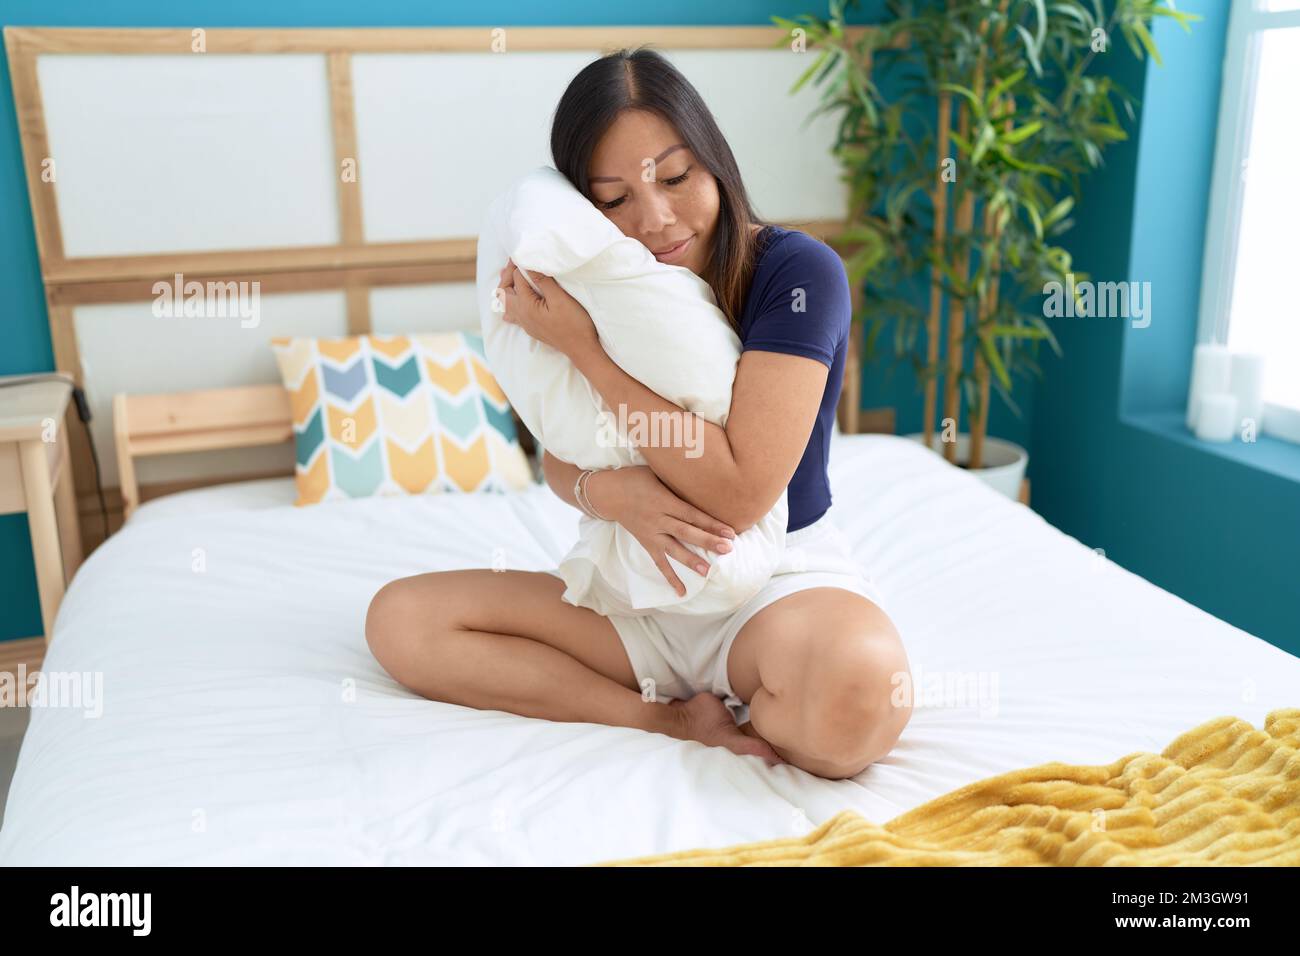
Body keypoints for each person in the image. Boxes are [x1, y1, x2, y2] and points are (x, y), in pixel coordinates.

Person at [366, 46, 913, 780]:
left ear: (714, 158)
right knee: (401, 621)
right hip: (634, 585)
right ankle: (667, 715)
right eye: (613, 200)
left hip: (776, 582)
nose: (655, 220)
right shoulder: (586, 284)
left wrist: (588, 354)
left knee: (861, 701)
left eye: (676, 177)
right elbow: (562, 458)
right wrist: (612, 493)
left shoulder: (796, 273)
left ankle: (759, 680)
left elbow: (743, 490)